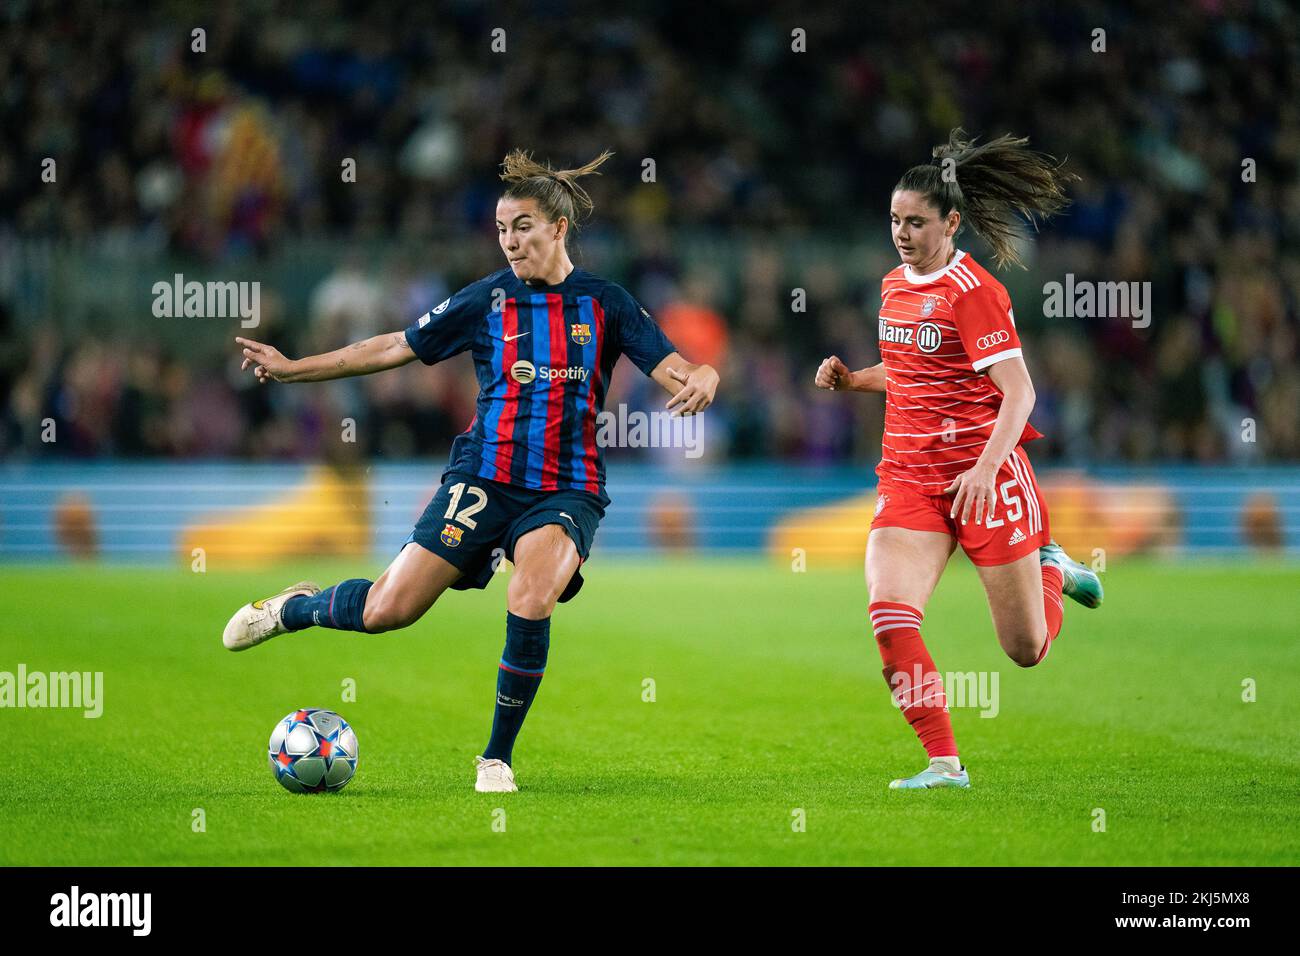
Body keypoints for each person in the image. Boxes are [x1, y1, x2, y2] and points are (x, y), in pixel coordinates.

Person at [223, 150, 720, 793]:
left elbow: (679, 368)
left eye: (523, 228)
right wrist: (296, 367)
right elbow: (395, 346)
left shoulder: (607, 303)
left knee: (532, 593)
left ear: (558, 228)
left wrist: (705, 374)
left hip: (566, 488)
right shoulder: (487, 301)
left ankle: (497, 757)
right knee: (386, 611)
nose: (510, 242)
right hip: (483, 478)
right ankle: (296, 608)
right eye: (502, 230)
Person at [815, 130, 1101, 790]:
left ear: (951, 223)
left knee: (1025, 651)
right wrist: (856, 380)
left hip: (986, 479)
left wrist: (982, 467)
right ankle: (945, 764)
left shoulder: (973, 292)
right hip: (911, 481)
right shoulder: (892, 286)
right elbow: (917, 372)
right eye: (894, 220)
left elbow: (1019, 391)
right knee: (889, 617)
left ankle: (1053, 568)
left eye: (916, 222)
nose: (902, 234)